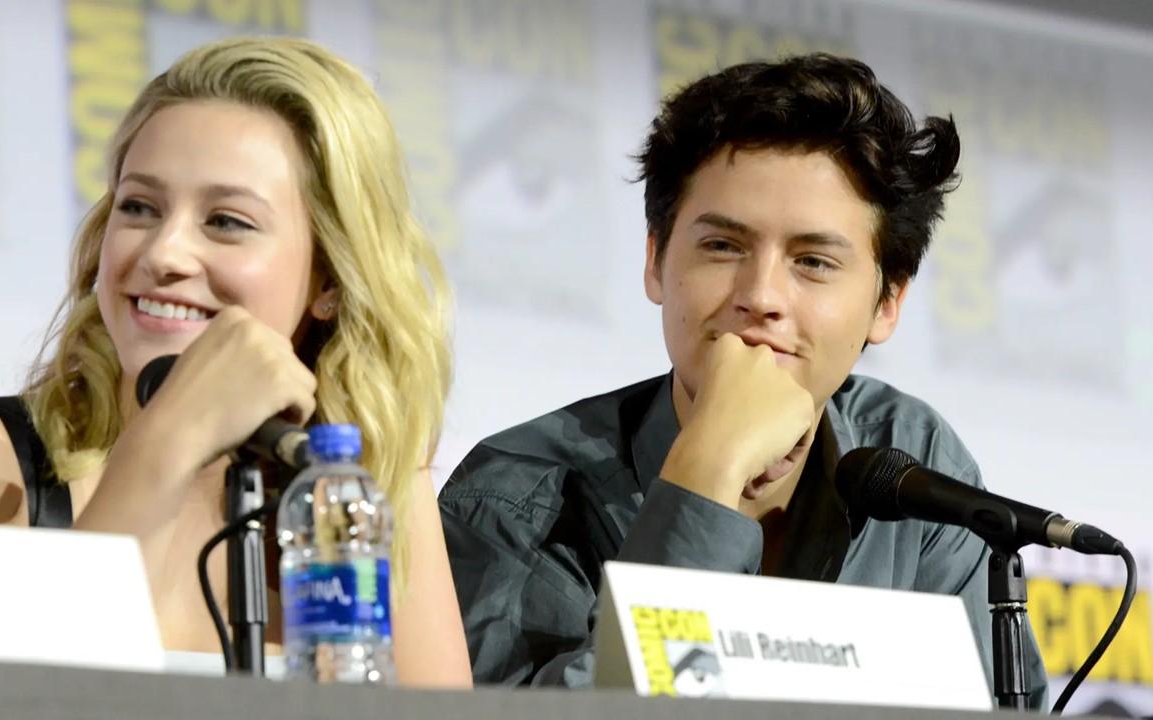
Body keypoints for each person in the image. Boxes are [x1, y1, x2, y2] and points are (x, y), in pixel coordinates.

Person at [438, 53, 1047, 704]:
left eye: (812, 262)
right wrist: (707, 470)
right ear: (655, 261)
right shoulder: (511, 495)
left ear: (888, 302)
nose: (761, 296)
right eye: (723, 247)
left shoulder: (912, 458)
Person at [0, 37, 472, 688]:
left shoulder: (357, 478)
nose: (164, 252)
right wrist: (167, 440)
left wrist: (378, 469)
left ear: (329, 279)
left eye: (225, 221)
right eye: (139, 207)